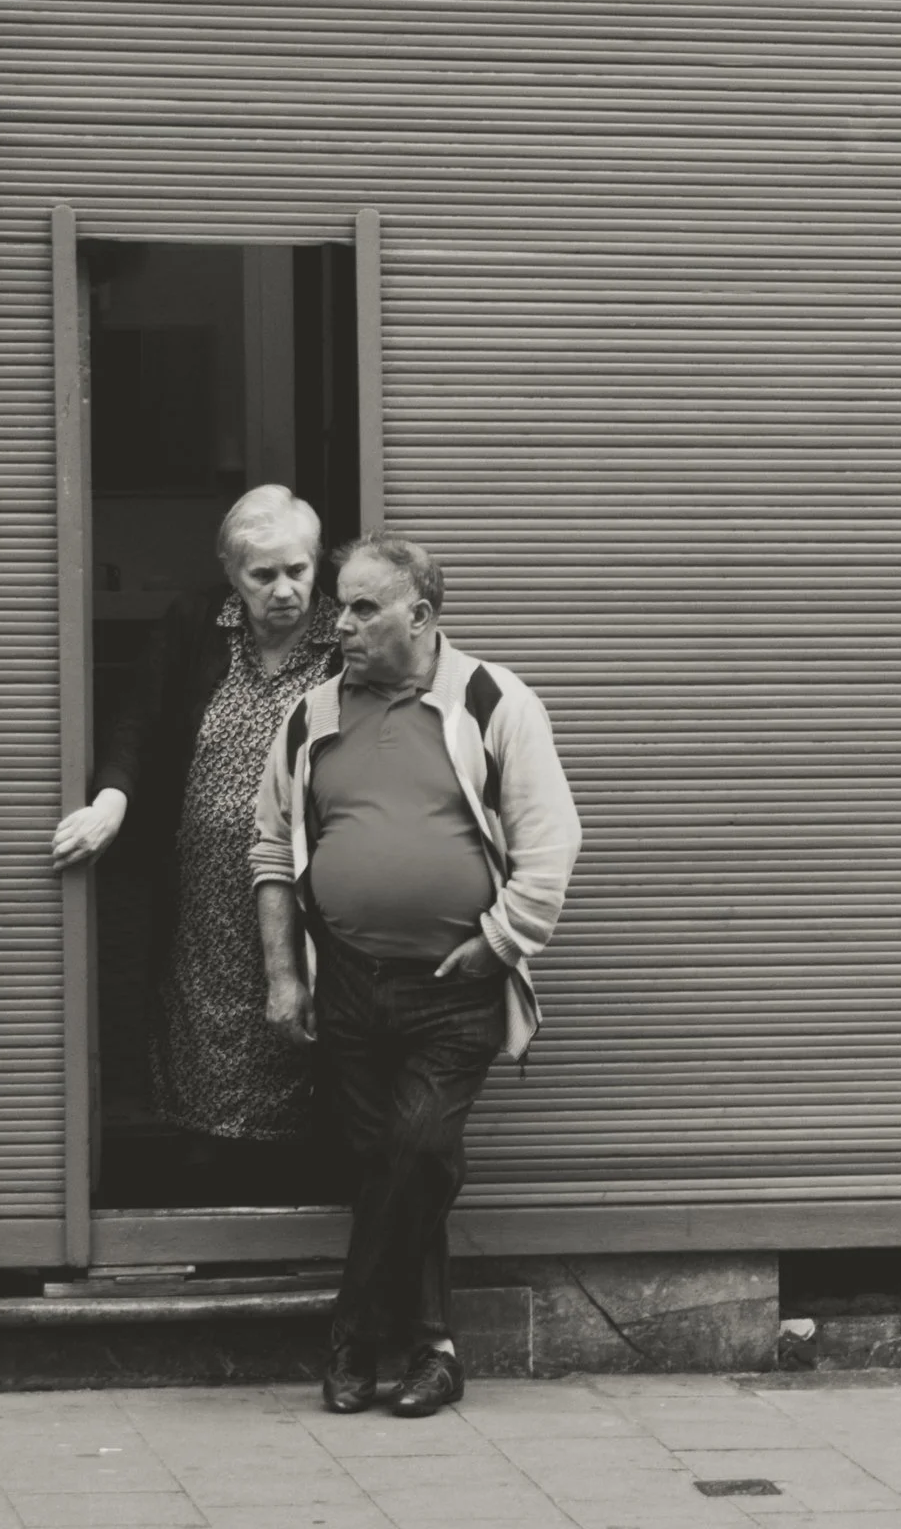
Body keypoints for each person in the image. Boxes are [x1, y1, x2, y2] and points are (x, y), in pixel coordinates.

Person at [251, 531, 580, 1419]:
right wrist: (287, 977)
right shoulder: (311, 716)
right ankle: (432, 1352)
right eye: (341, 607)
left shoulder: (491, 700)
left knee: (419, 1148)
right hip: (348, 980)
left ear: (420, 616)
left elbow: (551, 843)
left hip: (455, 982)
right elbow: (271, 853)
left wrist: (503, 941)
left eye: (363, 608)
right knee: (389, 1168)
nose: (342, 626)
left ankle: (355, 1335)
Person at [53, 485, 342, 1176]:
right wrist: (111, 801)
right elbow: (138, 720)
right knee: (203, 1029)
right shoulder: (195, 623)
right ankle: (207, 1179)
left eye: (297, 571)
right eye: (261, 575)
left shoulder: (345, 640)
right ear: (230, 572)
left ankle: (300, 1189)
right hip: (203, 890)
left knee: (302, 1016)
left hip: (308, 882)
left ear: (317, 563)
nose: (282, 590)